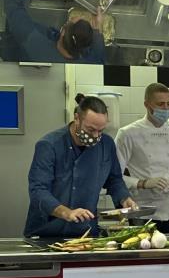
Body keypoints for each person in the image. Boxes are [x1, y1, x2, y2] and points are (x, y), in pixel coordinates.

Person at [25, 94, 136, 237]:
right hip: (48, 230)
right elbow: (38, 190)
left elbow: (114, 179)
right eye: (91, 130)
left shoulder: (106, 145)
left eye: (101, 131)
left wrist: (124, 198)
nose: (96, 136)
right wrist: (66, 212)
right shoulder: (49, 145)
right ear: (77, 118)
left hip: (85, 231)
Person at [115, 83, 169, 233]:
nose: (166, 109)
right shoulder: (128, 133)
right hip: (143, 213)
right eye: (161, 104)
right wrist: (143, 183)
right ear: (147, 105)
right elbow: (114, 177)